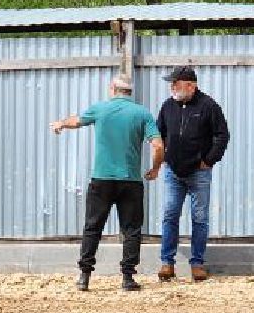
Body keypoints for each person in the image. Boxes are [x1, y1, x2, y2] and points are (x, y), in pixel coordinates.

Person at [51, 74, 164, 291]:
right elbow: (158, 145)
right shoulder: (142, 113)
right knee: (131, 230)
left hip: (102, 179)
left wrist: (61, 123)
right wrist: (156, 168)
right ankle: (128, 278)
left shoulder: (100, 109)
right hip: (130, 181)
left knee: (93, 227)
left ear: (113, 88)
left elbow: (77, 121)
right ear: (130, 91)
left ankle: (84, 277)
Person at [150, 65, 229, 282]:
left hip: (198, 173)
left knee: (199, 218)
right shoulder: (167, 106)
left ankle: (197, 264)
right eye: (172, 84)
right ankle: (167, 263)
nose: (172, 88)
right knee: (170, 215)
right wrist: (161, 158)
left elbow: (222, 135)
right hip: (173, 172)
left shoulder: (208, 106)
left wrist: (209, 160)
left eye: (175, 84)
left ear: (191, 86)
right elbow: (159, 133)